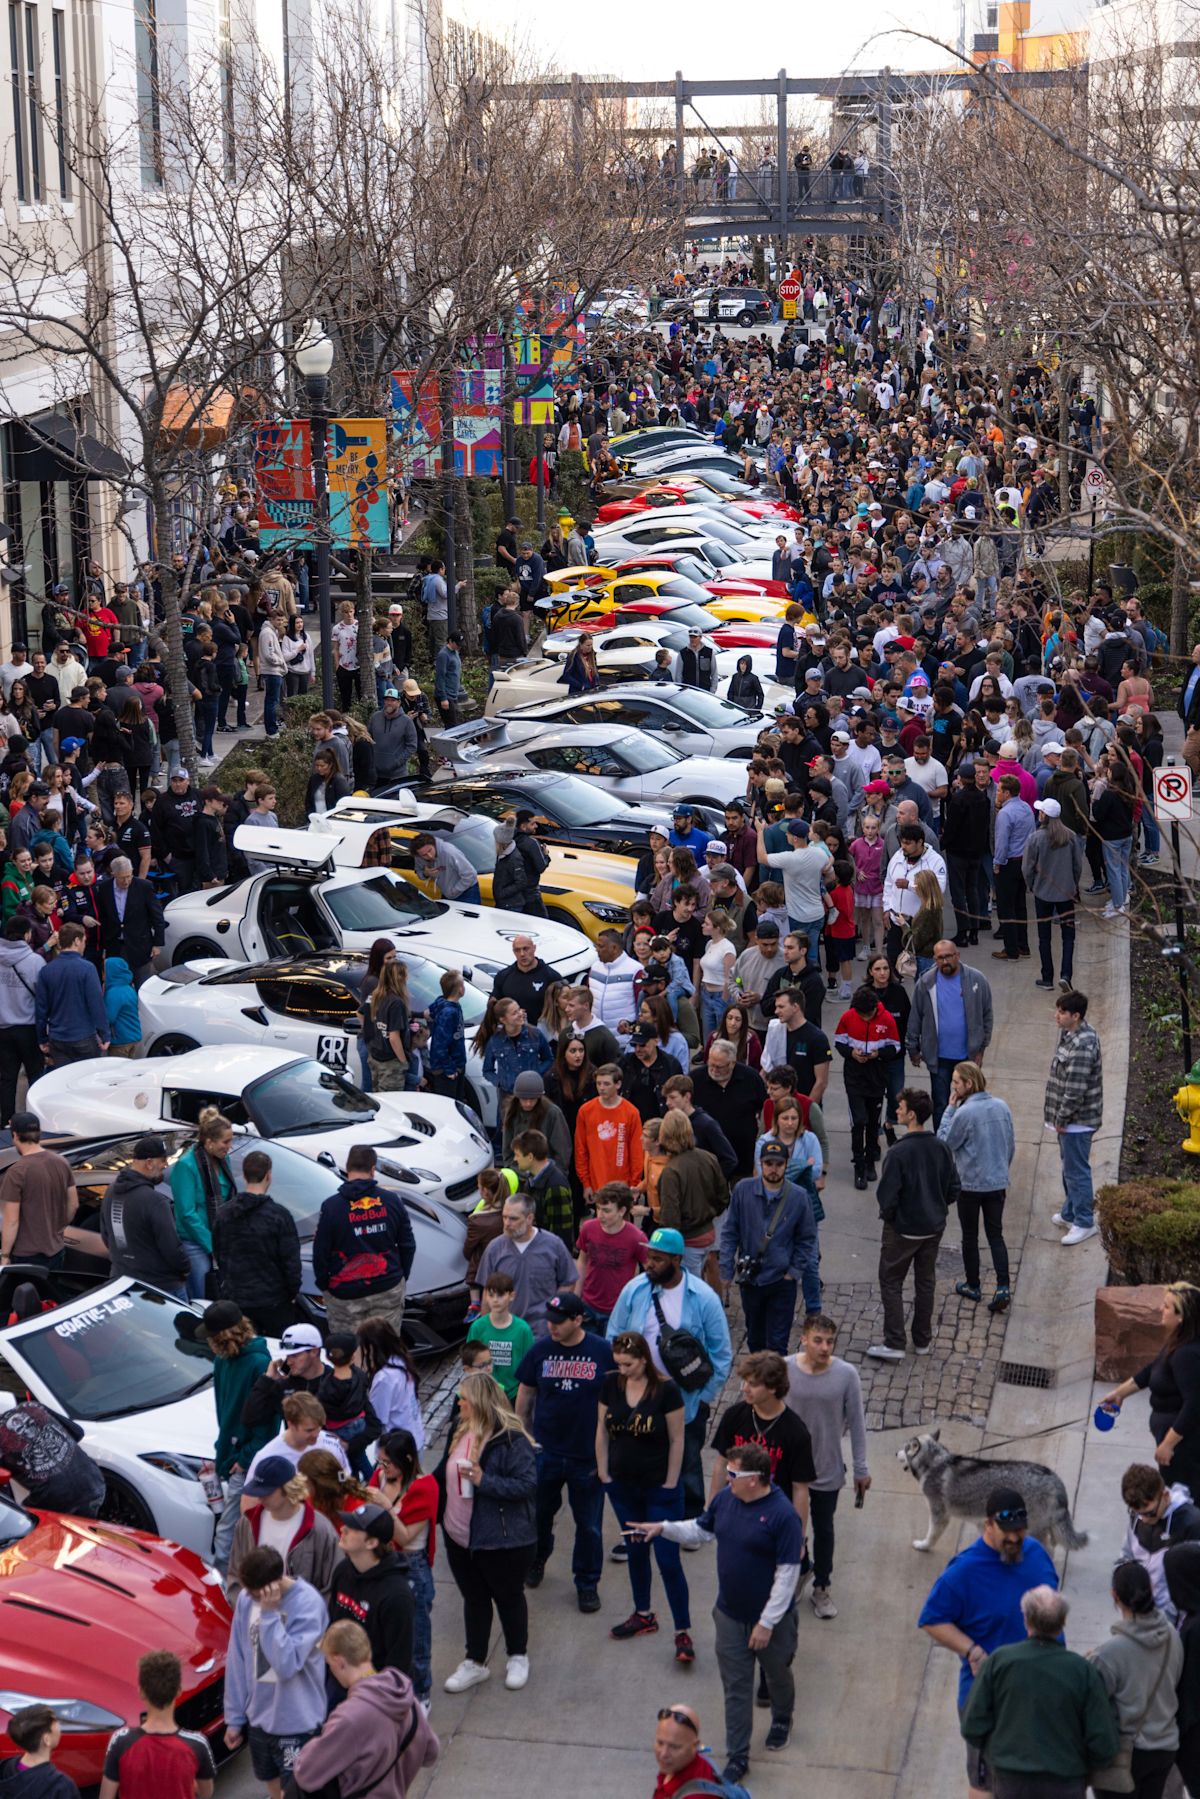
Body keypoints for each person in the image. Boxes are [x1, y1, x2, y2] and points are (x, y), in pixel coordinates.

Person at [634, 1442, 803, 1784]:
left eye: (732, 1474)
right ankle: (738, 1756)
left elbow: (788, 1575)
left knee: (777, 1675)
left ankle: (782, 1718)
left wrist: (767, 1623)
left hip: (772, 1621)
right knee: (736, 1688)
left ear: (754, 1479)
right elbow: (702, 1529)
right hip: (728, 1616)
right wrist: (663, 1528)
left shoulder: (783, 1516)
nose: (726, 1478)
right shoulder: (727, 1500)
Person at [919, 1487, 1060, 1799]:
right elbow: (932, 1619)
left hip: (1039, 1693)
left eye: (1020, 1531)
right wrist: (971, 1649)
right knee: (986, 1786)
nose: (1015, 1539)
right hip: (989, 1699)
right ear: (988, 1525)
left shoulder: (1036, 1554)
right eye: (1007, 1533)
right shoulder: (964, 1571)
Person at [607, 1227, 733, 1519]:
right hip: (638, 1394)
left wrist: (704, 1398)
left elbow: (721, 1353)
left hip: (685, 1398)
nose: (649, 1263)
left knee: (687, 1462)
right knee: (637, 1461)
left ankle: (689, 1520)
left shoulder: (703, 1298)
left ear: (677, 1260)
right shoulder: (635, 1289)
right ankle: (638, 1525)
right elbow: (613, 1333)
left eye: (657, 1259)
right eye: (649, 1257)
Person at [959, 1584, 1119, 1799]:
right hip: (1066, 1782)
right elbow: (1103, 1742)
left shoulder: (999, 1662)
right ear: (1063, 1623)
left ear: (1026, 1620)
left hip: (1010, 1781)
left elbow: (972, 1726)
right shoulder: (1082, 1671)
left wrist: (1000, 1754)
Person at [440, 1369, 539, 1695]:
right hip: (459, 1537)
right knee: (475, 1599)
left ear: (479, 1402)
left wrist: (485, 1481)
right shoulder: (460, 1428)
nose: (459, 1404)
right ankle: (475, 1661)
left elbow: (527, 1485)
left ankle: (518, 1655)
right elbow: (444, 1472)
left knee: (508, 1597)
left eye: (463, 1399)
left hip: (501, 1539)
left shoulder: (512, 1439)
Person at [597, 1327, 692, 1660]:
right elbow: (602, 1430)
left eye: (628, 1365)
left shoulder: (666, 1390)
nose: (622, 1370)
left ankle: (683, 1631)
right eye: (618, 1364)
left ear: (642, 1359)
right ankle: (643, 1613)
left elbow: (678, 1438)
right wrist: (604, 1472)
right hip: (623, 1487)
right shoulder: (610, 1383)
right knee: (636, 1553)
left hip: (658, 1488)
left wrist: (670, 1481)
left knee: (667, 1560)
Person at [516, 1291, 614, 1610]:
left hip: (586, 1455)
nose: (552, 1327)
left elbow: (617, 1396)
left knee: (589, 1524)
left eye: (559, 1322)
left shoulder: (602, 1351)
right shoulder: (541, 1349)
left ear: (578, 1320)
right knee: (539, 1514)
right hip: (546, 1451)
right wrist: (524, 1438)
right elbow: (526, 1394)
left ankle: (587, 1582)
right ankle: (537, 1559)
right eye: (550, 1320)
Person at [222, 1544, 328, 1799]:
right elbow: (237, 1658)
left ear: (274, 1583)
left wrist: (269, 1616)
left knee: (296, 1792)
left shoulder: (308, 1604)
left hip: (297, 1725)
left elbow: (287, 1664)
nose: (249, 1598)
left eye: (255, 1594)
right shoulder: (248, 1600)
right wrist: (234, 1718)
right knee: (270, 1783)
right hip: (259, 1720)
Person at [785, 1313, 870, 1622]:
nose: (824, 1347)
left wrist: (861, 1468)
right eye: (818, 1340)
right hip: (788, 1471)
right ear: (804, 1339)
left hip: (826, 1468)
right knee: (790, 1529)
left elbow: (858, 1425)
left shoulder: (846, 1375)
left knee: (824, 1530)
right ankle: (796, 1572)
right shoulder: (784, 1368)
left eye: (830, 1341)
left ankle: (821, 1585)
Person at [868, 1089, 960, 1362]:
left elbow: (886, 1196)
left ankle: (895, 1342)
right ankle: (922, 1340)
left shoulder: (899, 1153)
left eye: (900, 1107)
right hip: (933, 1227)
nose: (896, 1110)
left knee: (891, 1280)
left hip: (903, 1229)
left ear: (911, 1115)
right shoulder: (941, 1148)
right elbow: (954, 1187)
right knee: (925, 1282)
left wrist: (894, 1217)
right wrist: (937, 1207)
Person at [1089, 1560, 1183, 1799]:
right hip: (1164, 1748)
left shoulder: (1109, 1654)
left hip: (1126, 1756)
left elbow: (1094, 1705)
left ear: (1114, 1596)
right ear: (1151, 1588)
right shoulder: (1173, 1635)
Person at [710, 1351, 814, 1564]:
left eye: (753, 1384)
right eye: (745, 1382)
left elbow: (800, 1489)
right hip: (736, 1512)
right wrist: (711, 1510)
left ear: (774, 1388)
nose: (745, 1389)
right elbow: (721, 1464)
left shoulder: (795, 1432)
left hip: (773, 1520)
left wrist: (798, 1538)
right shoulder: (734, 1416)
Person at [719, 1141, 817, 1353]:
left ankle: (776, 1384)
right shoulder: (743, 1190)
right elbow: (730, 1232)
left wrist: (793, 1272)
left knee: (778, 1343)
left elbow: (807, 1238)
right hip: (751, 1280)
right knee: (755, 1339)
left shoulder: (798, 1197)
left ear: (786, 1165)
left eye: (779, 1164)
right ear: (761, 1164)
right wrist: (725, 1269)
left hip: (781, 1280)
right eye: (769, 1163)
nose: (773, 1168)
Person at [1104, 1283, 1200, 1499]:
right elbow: (1151, 1372)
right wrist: (1120, 1393)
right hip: (1175, 1444)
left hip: (1184, 1451)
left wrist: (1167, 1445)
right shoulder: (1178, 1341)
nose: (1160, 1310)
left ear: (1181, 1317)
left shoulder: (1187, 1356)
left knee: (1182, 1499)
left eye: (1166, 1307)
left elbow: (1194, 1405)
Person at [937, 1061, 1016, 1312]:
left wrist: (949, 1110)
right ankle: (1003, 1285)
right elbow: (1010, 1145)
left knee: (970, 1236)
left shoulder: (964, 1113)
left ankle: (973, 1284)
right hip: (997, 1182)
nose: (953, 1086)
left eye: (957, 1082)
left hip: (970, 1186)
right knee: (996, 1234)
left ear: (969, 1084)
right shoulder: (1002, 1107)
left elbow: (944, 1143)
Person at [312, 1143, 415, 1333]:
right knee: (386, 1348)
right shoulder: (392, 1201)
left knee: (350, 1352)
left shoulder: (331, 1207)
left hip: (344, 1293)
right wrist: (400, 1276)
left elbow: (320, 1252)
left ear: (348, 1167)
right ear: (373, 1170)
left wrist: (324, 1285)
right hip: (388, 1286)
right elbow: (408, 1245)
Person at [99, 1650, 217, 1799]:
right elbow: (206, 1793)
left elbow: (105, 1796)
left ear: (141, 1692)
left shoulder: (121, 1742)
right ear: (179, 1691)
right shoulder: (197, 1744)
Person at [212, 1149, 302, 1341]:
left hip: (237, 1299)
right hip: (274, 1301)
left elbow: (219, 1254)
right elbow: (291, 1262)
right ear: (268, 1175)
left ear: (244, 1175)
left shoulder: (224, 1214)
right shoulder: (279, 1216)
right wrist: (292, 1292)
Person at [226, 1457, 340, 1604]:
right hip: (254, 1621)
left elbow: (332, 1586)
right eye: (257, 1490)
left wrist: (309, 1618)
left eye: (266, 1492)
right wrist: (244, 1609)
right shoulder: (247, 1523)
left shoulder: (320, 1530)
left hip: (299, 1623)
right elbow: (235, 1574)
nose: (260, 1498)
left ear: (288, 1488)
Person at [906, 940, 994, 1124]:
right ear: (934, 959)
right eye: (940, 958)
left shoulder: (976, 979)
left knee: (969, 1104)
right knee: (940, 1104)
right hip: (939, 1059)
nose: (945, 961)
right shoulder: (926, 983)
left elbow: (987, 1015)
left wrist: (981, 1049)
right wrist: (913, 1048)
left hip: (968, 1057)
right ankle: (943, 1145)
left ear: (957, 956)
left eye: (949, 956)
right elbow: (915, 1017)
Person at [328, 1502, 416, 1682]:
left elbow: (399, 1662)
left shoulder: (397, 1596)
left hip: (373, 1691)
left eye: (353, 1528)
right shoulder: (343, 1571)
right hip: (337, 1678)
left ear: (372, 1542)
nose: (343, 1529)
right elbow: (332, 1623)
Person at [1045, 989, 1104, 1245]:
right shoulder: (1070, 1034)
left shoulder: (1082, 1044)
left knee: (1077, 1171)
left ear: (1076, 1016)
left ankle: (1084, 1221)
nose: (1056, 1015)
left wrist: (1061, 1118)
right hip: (1070, 1120)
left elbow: (1075, 1089)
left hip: (1076, 1122)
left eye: (1062, 1012)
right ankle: (1070, 1212)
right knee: (1070, 1167)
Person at [99, 1133, 189, 1297]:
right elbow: (172, 1248)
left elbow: (106, 1235)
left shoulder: (111, 1191)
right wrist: (185, 1268)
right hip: (161, 1288)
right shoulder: (155, 1201)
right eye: (163, 1160)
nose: (166, 1165)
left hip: (122, 1283)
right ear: (149, 1163)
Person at [476, 1192, 576, 1335]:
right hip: (506, 1332)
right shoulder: (495, 1248)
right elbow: (487, 1291)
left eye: (513, 1219)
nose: (507, 1223)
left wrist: (553, 1310)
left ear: (529, 1218)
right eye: (504, 1217)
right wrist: (486, 1329)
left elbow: (568, 1281)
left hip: (542, 1332)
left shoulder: (553, 1245)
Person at [834, 984, 901, 1190]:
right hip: (854, 1075)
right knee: (859, 1121)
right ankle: (859, 1166)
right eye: (861, 1015)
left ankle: (871, 1160)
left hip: (877, 1075)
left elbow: (895, 1046)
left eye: (868, 1015)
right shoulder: (848, 1017)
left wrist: (877, 1054)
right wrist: (852, 1053)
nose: (864, 1018)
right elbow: (839, 1041)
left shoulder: (887, 1019)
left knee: (873, 1122)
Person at [168, 1107, 236, 1302]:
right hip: (195, 1243)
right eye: (226, 1141)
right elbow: (187, 1213)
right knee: (203, 1294)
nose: (229, 1146)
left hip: (220, 1237)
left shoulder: (224, 1159)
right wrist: (212, 1244)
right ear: (209, 1142)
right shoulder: (186, 1166)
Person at [1118, 1463, 1200, 1620]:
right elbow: (1125, 1557)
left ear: (1165, 1496)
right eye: (1136, 1513)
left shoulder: (1192, 1524)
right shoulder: (1139, 1518)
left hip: (1175, 1623)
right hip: (1141, 1614)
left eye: (1150, 1513)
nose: (1144, 1519)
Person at [655, 1110, 729, 1282]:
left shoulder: (671, 1171)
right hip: (709, 1234)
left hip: (688, 1241)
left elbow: (670, 1217)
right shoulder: (709, 1158)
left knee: (688, 1289)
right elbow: (723, 1197)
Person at [0, 1111, 77, 1275]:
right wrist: (58, 1227)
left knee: (25, 1299)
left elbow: (11, 1221)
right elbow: (73, 1204)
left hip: (26, 1255)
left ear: (15, 1135)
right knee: (50, 1298)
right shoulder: (61, 1162)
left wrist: (5, 1255)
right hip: (56, 1250)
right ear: (39, 1133)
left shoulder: (16, 1172)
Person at [0, 1399, 106, 1517]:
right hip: (92, 1478)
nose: (28, 1431)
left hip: (56, 1498)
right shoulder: (32, 1405)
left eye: (29, 1424)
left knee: (19, 1522)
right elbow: (78, 1432)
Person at [1022, 798, 1084, 991]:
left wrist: (1032, 885)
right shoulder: (1071, 836)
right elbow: (1077, 865)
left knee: (1044, 937)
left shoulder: (1036, 838)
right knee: (1068, 937)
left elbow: (1027, 868)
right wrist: (1073, 884)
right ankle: (1066, 975)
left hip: (1043, 894)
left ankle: (1047, 977)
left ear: (1044, 815)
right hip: (1066, 894)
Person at [575, 1181, 648, 1331]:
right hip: (588, 1305)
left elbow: (650, 1272)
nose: (600, 1214)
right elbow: (582, 1261)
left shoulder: (637, 1237)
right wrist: (576, 1296)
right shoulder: (588, 1228)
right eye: (598, 1208)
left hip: (618, 1310)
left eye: (607, 1211)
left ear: (622, 1211)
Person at [34, 920, 108, 1064]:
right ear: (76, 941)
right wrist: (105, 1033)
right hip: (84, 1036)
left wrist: (42, 1038)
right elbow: (96, 1004)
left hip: (58, 1039)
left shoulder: (46, 971)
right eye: (84, 941)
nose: (84, 945)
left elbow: (41, 1009)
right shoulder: (88, 969)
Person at [575, 1062, 645, 1204]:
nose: (601, 1088)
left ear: (618, 1085)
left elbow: (637, 1152)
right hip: (596, 1185)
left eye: (606, 1084)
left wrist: (634, 1184)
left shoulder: (631, 1112)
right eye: (598, 1083)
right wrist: (586, 1183)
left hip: (622, 1187)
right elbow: (581, 1149)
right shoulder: (585, 1111)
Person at [0, 920, 46, 1125]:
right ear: (27, 935)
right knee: (35, 1075)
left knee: (7, 1077)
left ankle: (6, 1121)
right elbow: (43, 997)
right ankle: (33, 1120)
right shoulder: (35, 961)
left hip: (2, 1027)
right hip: (28, 1027)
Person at [465, 1270, 534, 1399]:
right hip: (484, 1395)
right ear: (486, 1296)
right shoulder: (478, 1327)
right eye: (491, 1295)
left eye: (501, 1295)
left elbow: (529, 1368)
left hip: (513, 1395)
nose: (495, 1300)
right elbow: (470, 1362)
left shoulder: (523, 1330)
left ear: (512, 1296)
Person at [95, 857, 164, 986]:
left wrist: (157, 944)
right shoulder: (104, 889)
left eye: (129, 876)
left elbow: (157, 916)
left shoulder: (144, 887)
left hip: (140, 946)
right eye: (122, 878)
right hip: (115, 946)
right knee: (118, 986)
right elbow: (103, 918)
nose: (126, 881)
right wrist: (104, 946)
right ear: (113, 874)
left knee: (144, 986)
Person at [358, 1316, 423, 1449]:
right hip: (415, 1438)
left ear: (371, 1347)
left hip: (396, 1449)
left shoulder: (384, 1379)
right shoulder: (401, 1360)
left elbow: (375, 1419)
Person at [0, 1704, 82, 1797]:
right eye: (55, 1722)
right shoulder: (62, 1787)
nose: (59, 1726)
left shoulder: (5, 1768)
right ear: (46, 1739)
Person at [652, 1702, 718, 1799]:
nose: (663, 1754)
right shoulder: (675, 1765)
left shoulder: (698, 1796)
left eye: (674, 1747)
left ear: (694, 1746)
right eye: (660, 1743)